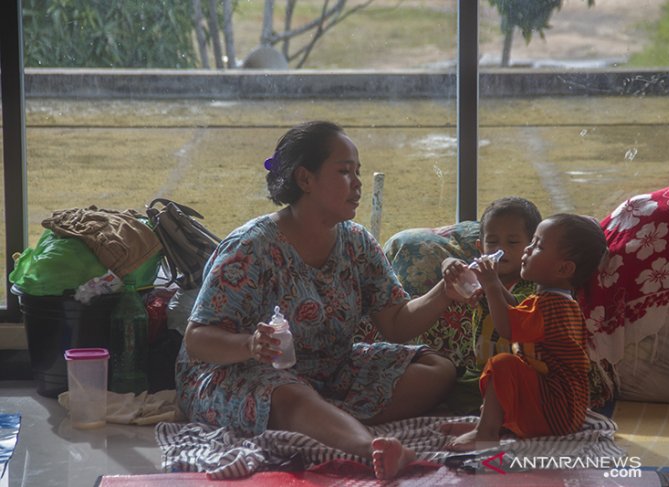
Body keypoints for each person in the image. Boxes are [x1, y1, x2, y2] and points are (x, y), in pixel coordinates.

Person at [176, 120, 459, 480]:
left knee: (436, 370)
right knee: (290, 396)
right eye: (344, 172)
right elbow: (197, 339)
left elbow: (397, 322)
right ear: (305, 179)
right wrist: (251, 344)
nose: (357, 183)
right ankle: (370, 447)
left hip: (329, 371)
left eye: (357, 172)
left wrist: (443, 293)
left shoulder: (357, 242)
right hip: (234, 372)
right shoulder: (252, 248)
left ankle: (321, 420)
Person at [442, 213, 607, 451]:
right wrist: (494, 285)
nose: (528, 250)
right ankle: (489, 424)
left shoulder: (552, 308)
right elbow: (514, 309)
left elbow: (506, 328)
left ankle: (486, 433)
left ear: (563, 268)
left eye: (538, 245)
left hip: (556, 411)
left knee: (502, 364)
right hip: (557, 408)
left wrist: (490, 284)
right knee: (512, 368)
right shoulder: (553, 300)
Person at [442, 197, 541, 414]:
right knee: (451, 395)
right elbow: (456, 278)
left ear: (531, 247)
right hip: (479, 372)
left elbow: (515, 313)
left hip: (517, 374)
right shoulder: (479, 278)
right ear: (481, 247)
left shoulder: (532, 285)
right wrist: (449, 265)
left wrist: (492, 284)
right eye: (493, 242)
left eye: (512, 242)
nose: (501, 249)